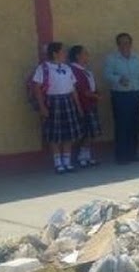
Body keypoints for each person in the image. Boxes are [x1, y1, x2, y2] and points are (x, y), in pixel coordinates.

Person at [33, 42, 84, 174]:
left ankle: (67, 161)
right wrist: (42, 107)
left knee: (69, 134)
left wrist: (78, 106)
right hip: (53, 102)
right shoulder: (44, 68)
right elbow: (37, 88)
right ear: (55, 53)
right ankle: (58, 163)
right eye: (63, 51)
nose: (65, 54)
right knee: (54, 134)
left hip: (68, 101)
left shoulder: (67, 68)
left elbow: (73, 89)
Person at [104, 32, 139, 164]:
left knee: (134, 125)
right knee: (122, 126)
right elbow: (106, 74)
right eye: (122, 43)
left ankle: (133, 153)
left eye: (128, 42)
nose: (125, 45)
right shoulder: (112, 59)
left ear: (131, 44)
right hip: (120, 96)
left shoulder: (137, 58)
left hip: (134, 95)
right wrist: (118, 79)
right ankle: (121, 156)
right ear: (118, 45)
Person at [69, 45, 102, 168]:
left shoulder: (86, 71)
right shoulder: (74, 70)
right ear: (77, 56)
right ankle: (80, 157)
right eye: (85, 53)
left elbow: (93, 87)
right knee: (85, 132)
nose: (87, 56)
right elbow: (82, 90)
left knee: (91, 133)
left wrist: (97, 94)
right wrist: (95, 96)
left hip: (91, 104)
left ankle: (86, 156)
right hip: (83, 105)